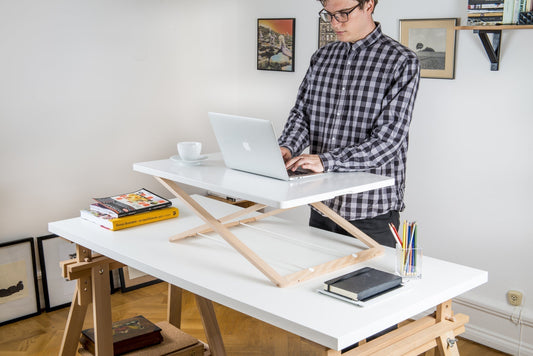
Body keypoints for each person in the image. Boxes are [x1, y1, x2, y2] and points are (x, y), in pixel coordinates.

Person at [278, 0, 420, 248]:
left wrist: (325, 161)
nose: (335, 23)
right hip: (322, 203)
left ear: (369, 5)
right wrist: (287, 147)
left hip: (370, 210)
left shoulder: (401, 61)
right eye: (329, 15)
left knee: (371, 285)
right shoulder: (322, 57)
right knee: (316, 283)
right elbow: (302, 114)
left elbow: (388, 142)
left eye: (343, 14)